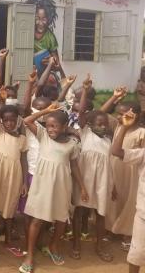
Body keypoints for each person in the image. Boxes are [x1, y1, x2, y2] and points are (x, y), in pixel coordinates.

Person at [19, 106, 88, 273]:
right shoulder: (43, 136)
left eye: (54, 126)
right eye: (48, 125)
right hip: (42, 185)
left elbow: (74, 166)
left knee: (61, 219)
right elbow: (27, 120)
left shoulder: (72, 144)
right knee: (37, 220)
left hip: (62, 185)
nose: (50, 129)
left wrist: (83, 187)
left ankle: (53, 246)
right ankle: (29, 256)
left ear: (64, 127)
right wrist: (45, 112)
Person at [70, 75, 113, 262]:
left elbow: (110, 167)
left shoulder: (109, 141)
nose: (103, 127)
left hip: (103, 183)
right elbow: (81, 114)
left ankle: (100, 246)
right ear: (90, 124)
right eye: (99, 124)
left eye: (105, 124)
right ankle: (77, 244)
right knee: (79, 212)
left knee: (100, 213)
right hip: (84, 182)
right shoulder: (85, 132)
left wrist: (115, 187)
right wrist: (85, 90)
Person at [0, 83, 28, 260]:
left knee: (9, 210)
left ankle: (9, 242)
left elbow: (23, 160)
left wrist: (25, 182)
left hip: (14, 176)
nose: (10, 122)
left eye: (13, 119)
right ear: (2, 121)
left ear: (18, 119)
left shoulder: (22, 139)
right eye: (6, 120)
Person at [111, 109, 145, 273]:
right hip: (143, 216)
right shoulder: (143, 154)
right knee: (136, 255)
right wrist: (124, 127)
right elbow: (116, 151)